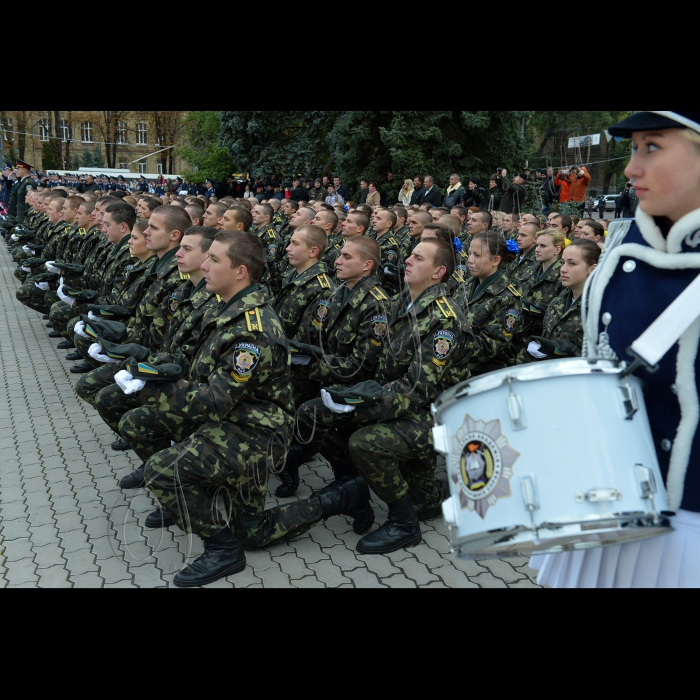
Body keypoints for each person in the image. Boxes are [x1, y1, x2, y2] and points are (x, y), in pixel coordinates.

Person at [531, 110, 700, 589]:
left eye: (653, 147)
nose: (631, 168)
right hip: (611, 501)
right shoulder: (618, 262)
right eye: (632, 148)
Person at [522, 238, 600, 365]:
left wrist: (572, 352)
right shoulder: (558, 301)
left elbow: (604, 359)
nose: (563, 269)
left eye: (572, 263)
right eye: (563, 262)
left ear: (592, 269)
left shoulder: (601, 308)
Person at [461, 232, 525, 375]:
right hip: (458, 365)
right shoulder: (468, 283)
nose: (470, 260)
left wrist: (452, 344)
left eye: (477, 255)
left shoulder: (507, 298)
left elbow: (489, 347)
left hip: (482, 373)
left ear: (495, 260)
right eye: (469, 253)